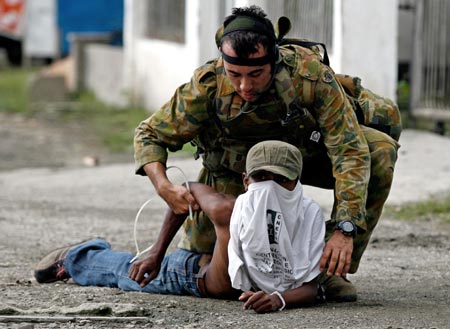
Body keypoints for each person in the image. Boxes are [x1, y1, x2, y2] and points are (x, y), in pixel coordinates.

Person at [134, 5, 400, 301]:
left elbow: (348, 150)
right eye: (235, 74)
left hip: (301, 161)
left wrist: (345, 228)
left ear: (273, 60)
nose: (245, 85)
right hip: (235, 174)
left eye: (256, 74)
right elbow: (149, 134)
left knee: (379, 150)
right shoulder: (207, 85)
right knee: (216, 277)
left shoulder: (309, 76)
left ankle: (326, 270)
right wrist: (164, 186)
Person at [34, 141, 325, 313]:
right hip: (193, 277)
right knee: (125, 274)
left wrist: (278, 299)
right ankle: (79, 256)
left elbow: (309, 288)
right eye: (263, 177)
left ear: (297, 182)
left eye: (281, 179)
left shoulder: (310, 217)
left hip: (231, 278)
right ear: (246, 180)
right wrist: (156, 253)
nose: (271, 188)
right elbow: (186, 189)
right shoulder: (227, 209)